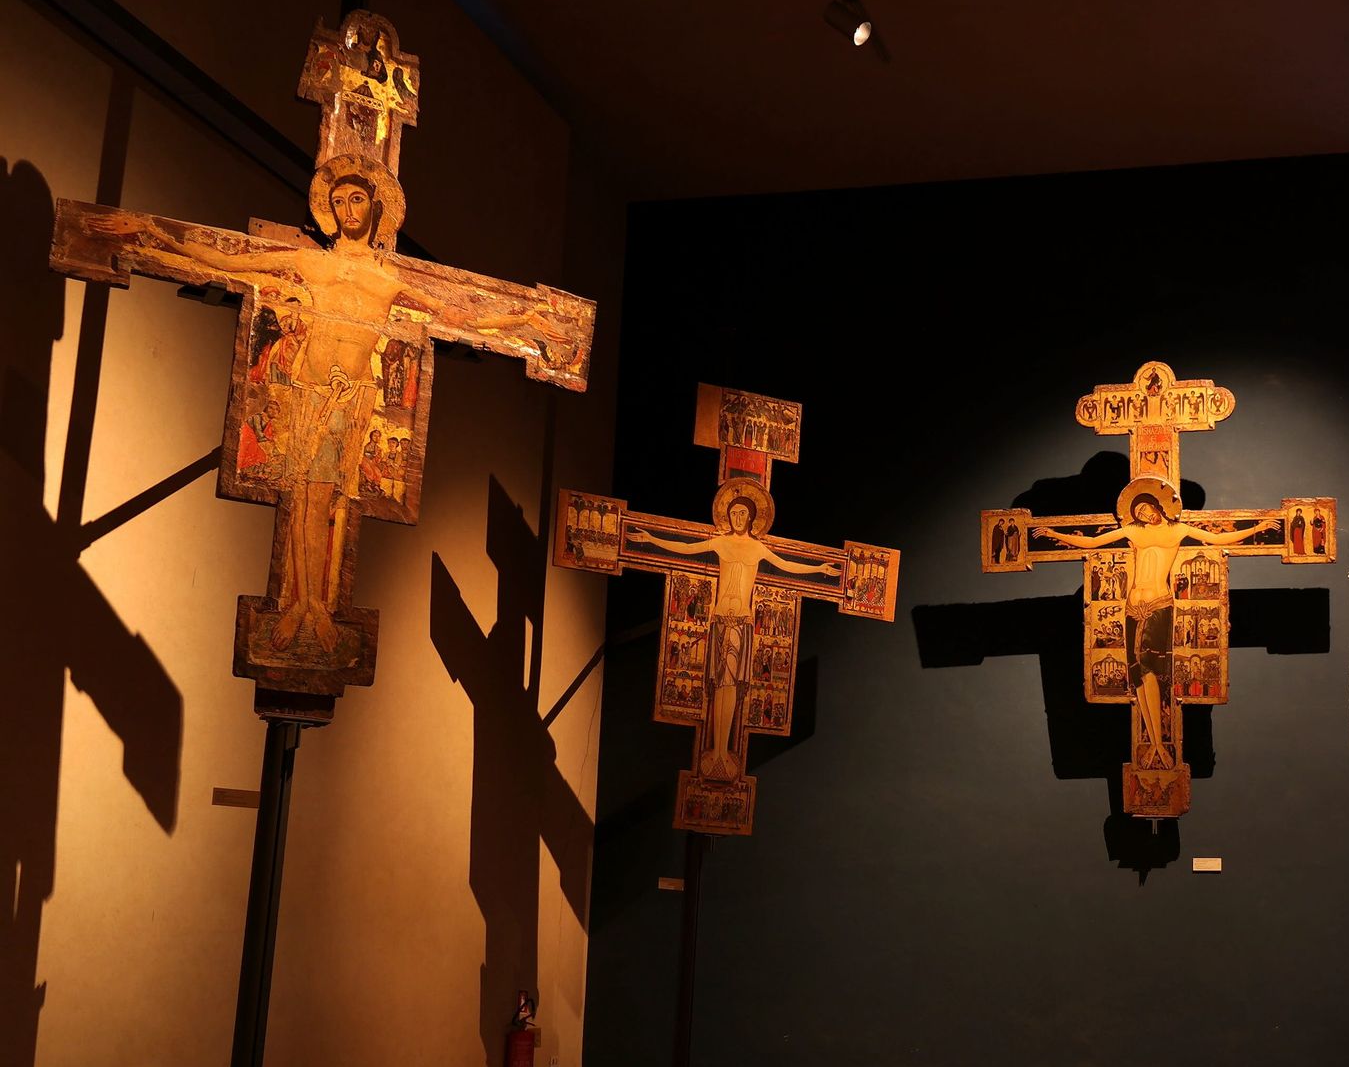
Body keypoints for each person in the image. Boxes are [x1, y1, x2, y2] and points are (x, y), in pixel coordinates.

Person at [99, 163, 578, 653]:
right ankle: (304, 606)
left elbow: (463, 315)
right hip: (307, 396)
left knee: (324, 503)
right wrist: (152, 233)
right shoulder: (313, 264)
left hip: (348, 403)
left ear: (376, 207)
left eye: (357, 200)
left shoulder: (388, 281)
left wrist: (530, 318)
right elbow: (229, 264)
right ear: (329, 210)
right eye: (339, 202)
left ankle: (314, 608)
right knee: (303, 500)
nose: (348, 210)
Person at [1037, 489, 1274, 770]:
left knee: (1153, 671)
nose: (1145, 516)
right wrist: (1054, 534)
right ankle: (1153, 742)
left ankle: (1160, 744)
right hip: (1131, 608)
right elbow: (1092, 542)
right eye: (1139, 514)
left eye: (1147, 509)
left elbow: (1219, 539)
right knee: (1137, 673)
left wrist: (1257, 527)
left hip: (1159, 604)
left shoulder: (1178, 530)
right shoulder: (1133, 532)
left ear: (1157, 506)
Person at [626, 490, 837, 782]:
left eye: (742, 513)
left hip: (741, 625)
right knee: (716, 685)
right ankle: (717, 750)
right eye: (733, 513)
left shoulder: (758, 548)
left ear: (752, 517)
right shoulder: (721, 542)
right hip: (720, 622)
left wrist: (819, 568)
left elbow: (787, 565)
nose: (737, 518)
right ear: (727, 516)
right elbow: (686, 548)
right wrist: (652, 539)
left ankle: (723, 750)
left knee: (732, 686)